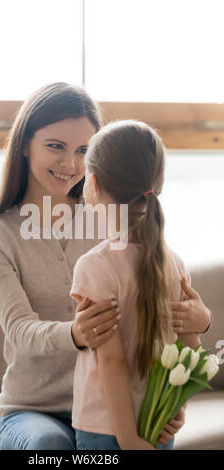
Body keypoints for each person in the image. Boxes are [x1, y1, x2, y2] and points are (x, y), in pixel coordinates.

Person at [0, 83, 212, 450]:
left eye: (84, 150)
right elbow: (20, 331)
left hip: (116, 406)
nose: (70, 164)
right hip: (32, 409)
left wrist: (200, 319)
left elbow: (160, 292)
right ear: (23, 144)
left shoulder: (113, 216)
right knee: (49, 445)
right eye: (55, 146)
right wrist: (76, 334)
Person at [70, 119, 205, 450]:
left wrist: (128, 438)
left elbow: (112, 361)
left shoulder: (95, 267)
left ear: (94, 183)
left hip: (106, 428)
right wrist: (178, 408)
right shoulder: (172, 263)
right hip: (159, 422)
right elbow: (193, 349)